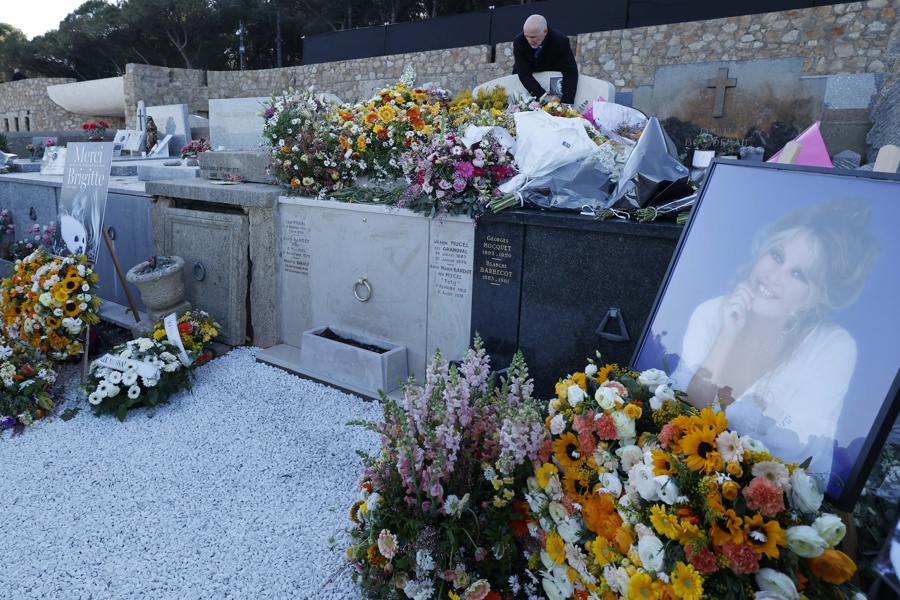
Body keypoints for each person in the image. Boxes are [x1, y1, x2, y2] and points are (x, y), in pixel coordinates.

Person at [671, 199, 880, 482]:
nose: (773, 276)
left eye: (798, 274)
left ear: (817, 297)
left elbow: (790, 463)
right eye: (777, 256)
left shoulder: (832, 348)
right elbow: (679, 414)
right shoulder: (710, 314)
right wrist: (727, 336)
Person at [512, 14, 579, 105]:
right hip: (527, 84)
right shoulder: (519, 41)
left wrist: (566, 103)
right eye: (527, 36)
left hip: (552, 78)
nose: (529, 40)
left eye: (533, 37)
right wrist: (543, 96)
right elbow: (524, 73)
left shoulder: (560, 41)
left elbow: (570, 71)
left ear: (545, 32)